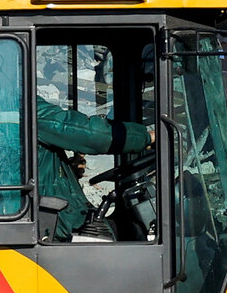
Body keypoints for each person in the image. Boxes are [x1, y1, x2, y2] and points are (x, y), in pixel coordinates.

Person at [33, 97, 151, 241]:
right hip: (53, 225)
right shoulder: (24, 107)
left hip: (45, 218)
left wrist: (67, 171)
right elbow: (93, 134)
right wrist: (146, 137)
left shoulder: (5, 106)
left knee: (122, 228)